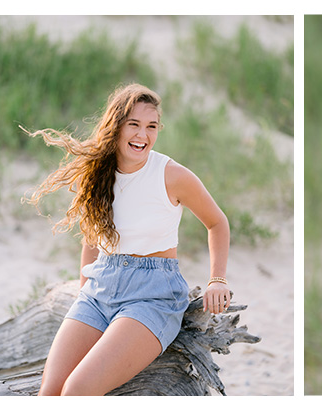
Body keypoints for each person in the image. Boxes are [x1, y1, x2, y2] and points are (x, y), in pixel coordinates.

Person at [26, 83, 232, 395]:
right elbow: (92, 237)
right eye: (133, 124)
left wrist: (217, 278)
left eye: (151, 127)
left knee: (77, 391)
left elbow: (217, 222)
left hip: (152, 296)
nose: (142, 136)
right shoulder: (99, 171)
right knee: (50, 392)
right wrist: (85, 294)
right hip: (99, 289)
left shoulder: (172, 175)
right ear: (115, 126)